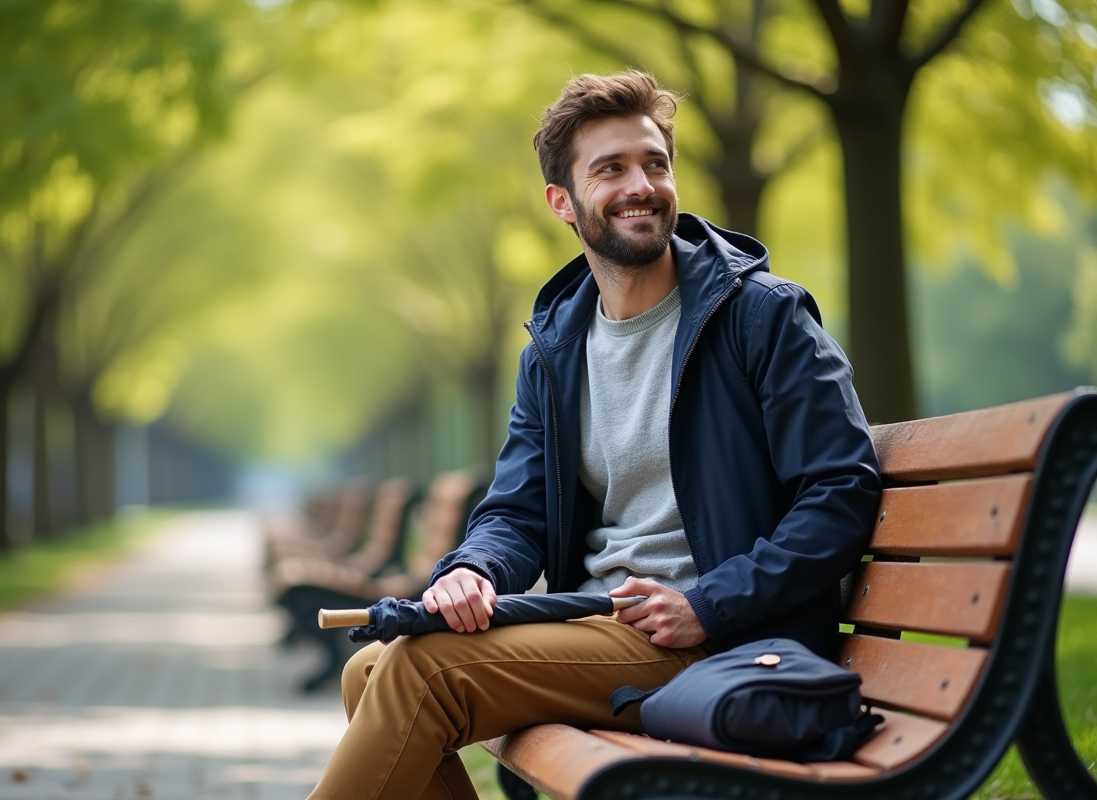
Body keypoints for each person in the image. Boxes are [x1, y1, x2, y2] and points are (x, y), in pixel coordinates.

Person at [307, 69, 881, 800]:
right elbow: (513, 509)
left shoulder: (760, 317)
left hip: (722, 642)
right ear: (563, 203)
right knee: (371, 668)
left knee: (420, 672)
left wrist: (709, 602)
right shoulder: (555, 349)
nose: (640, 184)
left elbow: (841, 491)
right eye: (610, 169)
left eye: (655, 164)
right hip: (596, 624)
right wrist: (472, 571)